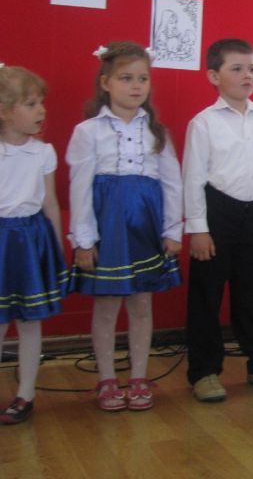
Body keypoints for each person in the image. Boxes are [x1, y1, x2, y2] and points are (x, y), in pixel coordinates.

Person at [67, 42, 182, 411]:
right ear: (106, 83)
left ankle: (138, 375)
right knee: (106, 306)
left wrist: (172, 230)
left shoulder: (157, 132)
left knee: (141, 304)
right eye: (126, 78)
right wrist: (84, 240)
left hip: (144, 229)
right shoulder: (88, 132)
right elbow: (80, 188)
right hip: (109, 230)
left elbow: (172, 183)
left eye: (142, 79)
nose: (136, 86)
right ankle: (106, 378)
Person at [183, 38, 253, 402]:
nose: (248, 75)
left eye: (252, 69)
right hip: (217, 215)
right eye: (237, 69)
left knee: (252, 294)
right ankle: (204, 371)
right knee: (207, 296)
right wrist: (198, 229)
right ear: (214, 76)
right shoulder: (204, 123)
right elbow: (193, 178)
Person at [0, 65, 70, 424]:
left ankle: (25, 394)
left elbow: (50, 203)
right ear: (4, 111)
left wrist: (56, 251)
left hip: (31, 242)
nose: (41, 110)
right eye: (30, 104)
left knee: (30, 322)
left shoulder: (43, 153)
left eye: (41, 102)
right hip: (1, 242)